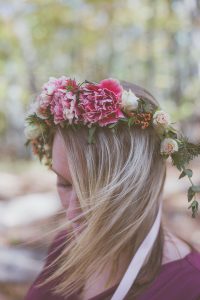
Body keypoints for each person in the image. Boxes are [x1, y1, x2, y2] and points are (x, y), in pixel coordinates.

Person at [24, 77, 200, 300]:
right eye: (65, 184)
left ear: (140, 185)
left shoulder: (189, 288)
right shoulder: (65, 245)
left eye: (96, 190)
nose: (71, 213)